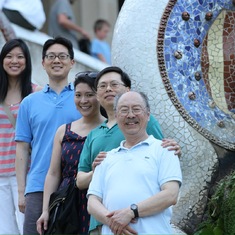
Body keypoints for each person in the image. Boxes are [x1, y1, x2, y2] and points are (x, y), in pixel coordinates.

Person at [76, 66, 181, 234]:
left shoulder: (163, 150)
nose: (130, 115)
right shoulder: (106, 156)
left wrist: (131, 211)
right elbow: (91, 199)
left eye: (136, 109)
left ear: (147, 114)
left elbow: (170, 194)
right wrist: (113, 221)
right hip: (104, 226)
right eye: (124, 110)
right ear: (118, 116)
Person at [15, 36, 82, 235]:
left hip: (75, 183)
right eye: (51, 56)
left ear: (72, 62)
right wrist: (21, 191)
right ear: (43, 63)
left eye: (62, 56)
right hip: (38, 185)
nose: (56, 60)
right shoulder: (29, 102)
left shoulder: (84, 98)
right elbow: (22, 148)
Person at [36, 71, 106, 235]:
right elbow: (53, 173)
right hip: (66, 201)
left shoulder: (110, 129)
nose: (83, 101)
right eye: (78, 95)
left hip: (98, 199)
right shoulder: (63, 131)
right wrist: (46, 210)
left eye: (90, 95)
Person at [0, 38, 40, 235]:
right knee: (5, 231)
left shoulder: (36, 93)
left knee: (27, 227)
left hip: (26, 172)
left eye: (19, 57)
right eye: (9, 56)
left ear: (27, 61)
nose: (14, 61)